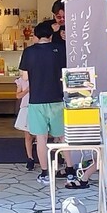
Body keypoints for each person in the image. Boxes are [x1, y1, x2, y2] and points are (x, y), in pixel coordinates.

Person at [19, 20, 73, 185]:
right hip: (57, 99)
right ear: (50, 35)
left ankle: (45, 173)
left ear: (35, 35)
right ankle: (70, 170)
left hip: (37, 100)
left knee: (41, 138)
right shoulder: (60, 49)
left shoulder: (29, 52)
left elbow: (24, 77)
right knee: (62, 136)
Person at [14, 34, 37, 170]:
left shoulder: (38, 77)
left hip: (37, 107)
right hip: (26, 108)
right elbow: (18, 95)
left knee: (39, 135)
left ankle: (40, 156)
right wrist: (28, 89)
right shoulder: (21, 81)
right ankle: (30, 158)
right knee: (28, 135)